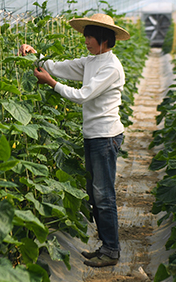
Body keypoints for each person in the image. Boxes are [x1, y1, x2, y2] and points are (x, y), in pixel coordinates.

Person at [19, 13, 128, 268]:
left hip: (106, 136)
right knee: (94, 192)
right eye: (86, 35)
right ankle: (105, 245)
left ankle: (112, 250)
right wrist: (37, 56)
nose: (86, 40)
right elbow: (59, 66)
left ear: (104, 39)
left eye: (90, 36)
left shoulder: (111, 67)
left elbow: (83, 95)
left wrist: (51, 84)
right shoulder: (92, 61)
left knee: (104, 195)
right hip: (93, 134)